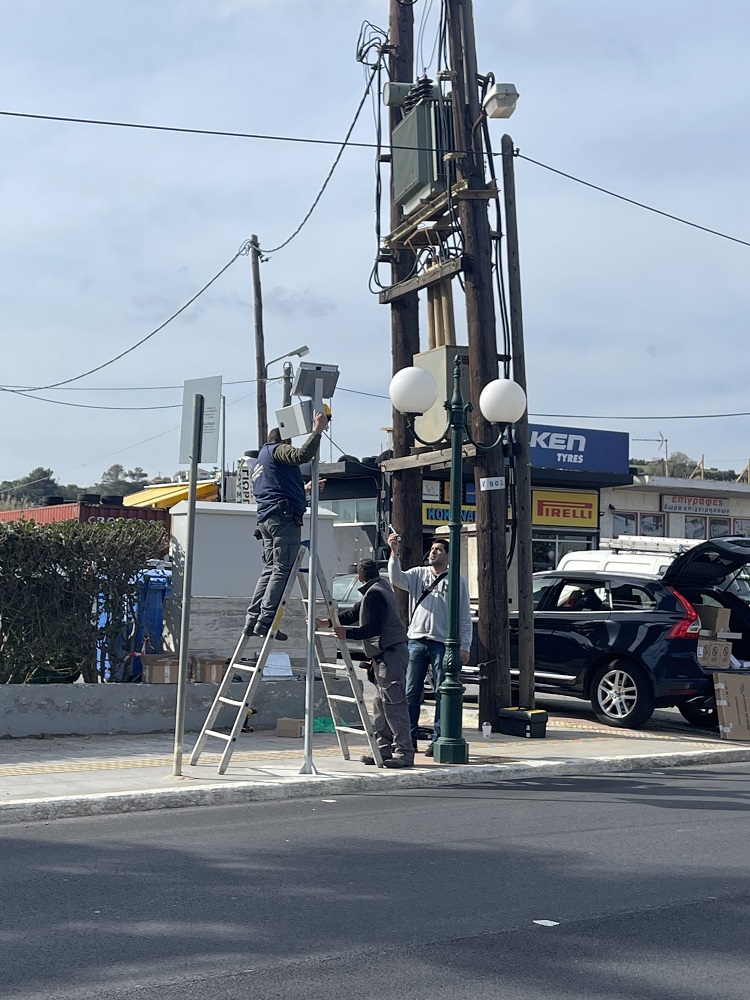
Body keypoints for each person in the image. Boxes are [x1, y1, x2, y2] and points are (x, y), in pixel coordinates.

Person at [317, 558, 413, 769]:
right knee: (381, 704)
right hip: (386, 653)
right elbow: (354, 613)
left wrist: (347, 633)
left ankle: (404, 752)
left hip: (390, 653)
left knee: (394, 704)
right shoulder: (379, 587)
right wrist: (328, 622)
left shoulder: (375, 593)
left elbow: (373, 627)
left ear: (360, 577)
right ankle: (382, 749)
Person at [244, 410, 329, 639]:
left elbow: (275, 489)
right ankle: (266, 620)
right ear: (284, 441)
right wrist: (317, 430)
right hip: (283, 519)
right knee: (282, 569)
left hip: (267, 519)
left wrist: (305, 489)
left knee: (270, 569)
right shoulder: (278, 450)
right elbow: (302, 455)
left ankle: (253, 619)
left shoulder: (260, 462)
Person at [388, 533, 472, 757]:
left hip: (442, 642)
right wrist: (394, 553)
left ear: (448, 555)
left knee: (442, 692)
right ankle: (409, 738)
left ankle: (438, 739)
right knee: (411, 692)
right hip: (416, 639)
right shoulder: (418, 574)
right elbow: (396, 579)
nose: (433, 552)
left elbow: (464, 614)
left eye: (439, 550)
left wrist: (465, 645)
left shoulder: (456, 580)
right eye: (432, 549)